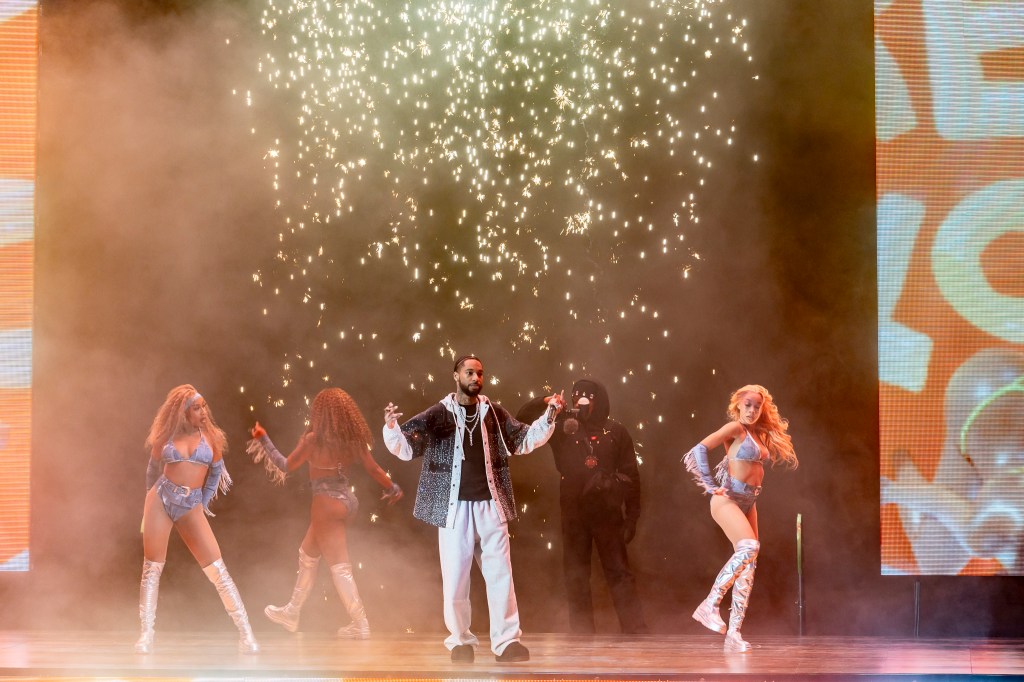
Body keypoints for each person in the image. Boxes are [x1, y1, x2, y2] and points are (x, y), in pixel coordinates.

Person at [382, 355, 565, 664]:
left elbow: (523, 439)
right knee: (455, 579)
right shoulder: (439, 414)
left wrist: (549, 415)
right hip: (454, 511)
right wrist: (392, 428)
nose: (476, 377)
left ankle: (507, 642)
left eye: (480, 373)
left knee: (501, 576)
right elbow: (409, 446)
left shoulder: (494, 413)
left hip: (491, 505)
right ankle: (460, 642)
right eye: (470, 372)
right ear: (456, 375)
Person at [248, 387, 403, 638]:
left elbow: (285, 465)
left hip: (326, 505)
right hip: (346, 502)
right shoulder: (353, 440)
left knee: (340, 568)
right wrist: (392, 487)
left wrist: (263, 439)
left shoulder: (313, 440)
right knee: (306, 555)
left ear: (319, 413)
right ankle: (292, 612)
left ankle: (360, 624)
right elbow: (373, 469)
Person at [517, 378, 647, 634]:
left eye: (588, 395)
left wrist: (632, 517)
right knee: (575, 575)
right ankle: (582, 634)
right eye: (577, 395)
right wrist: (547, 402)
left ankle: (636, 633)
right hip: (574, 512)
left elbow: (632, 476)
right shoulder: (563, 428)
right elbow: (522, 418)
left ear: (600, 399)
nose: (582, 400)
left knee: (619, 573)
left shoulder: (616, 431)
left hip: (608, 512)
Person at [136, 385, 259, 654]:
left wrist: (201, 504)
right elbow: (151, 469)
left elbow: (215, 474)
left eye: (204, 406)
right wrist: (148, 501)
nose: (203, 412)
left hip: (190, 505)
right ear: (183, 412)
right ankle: (146, 634)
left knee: (218, 571)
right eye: (196, 407)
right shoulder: (165, 437)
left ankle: (246, 633)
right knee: (152, 569)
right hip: (160, 500)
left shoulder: (212, 439)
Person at [682, 384, 797, 652]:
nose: (752, 410)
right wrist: (710, 484)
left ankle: (734, 634)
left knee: (750, 563)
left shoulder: (758, 435)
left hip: (749, 501)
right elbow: (699, 449)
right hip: (728, 499)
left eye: (757, 406)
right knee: (749, 547)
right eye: (748, 404)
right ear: (737, 405)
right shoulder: (735, 428)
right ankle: (709, 604)